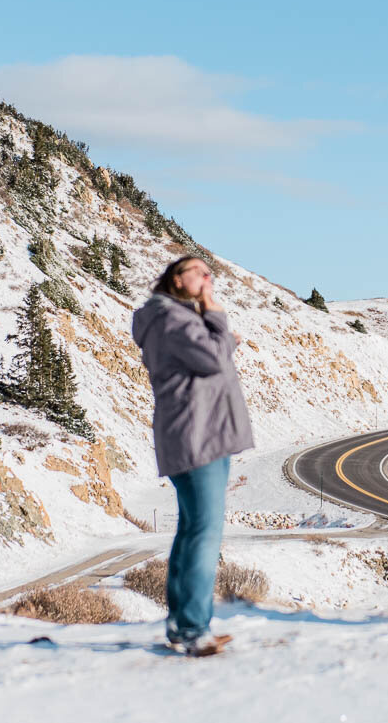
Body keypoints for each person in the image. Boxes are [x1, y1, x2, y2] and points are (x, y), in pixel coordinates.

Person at [132, 256, 253, 655]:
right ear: (176, 279)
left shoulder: (172, 318)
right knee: (205, 531)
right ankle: (194, 628)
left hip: (196, 432)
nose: (207, 278)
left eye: (209, 273)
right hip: (197, 435)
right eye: (198, 272)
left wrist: (215, 331)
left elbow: (206, 358)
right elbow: (213, 360)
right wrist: (219, 323)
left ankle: (181, 625)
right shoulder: (173, 319)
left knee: (190, 529)